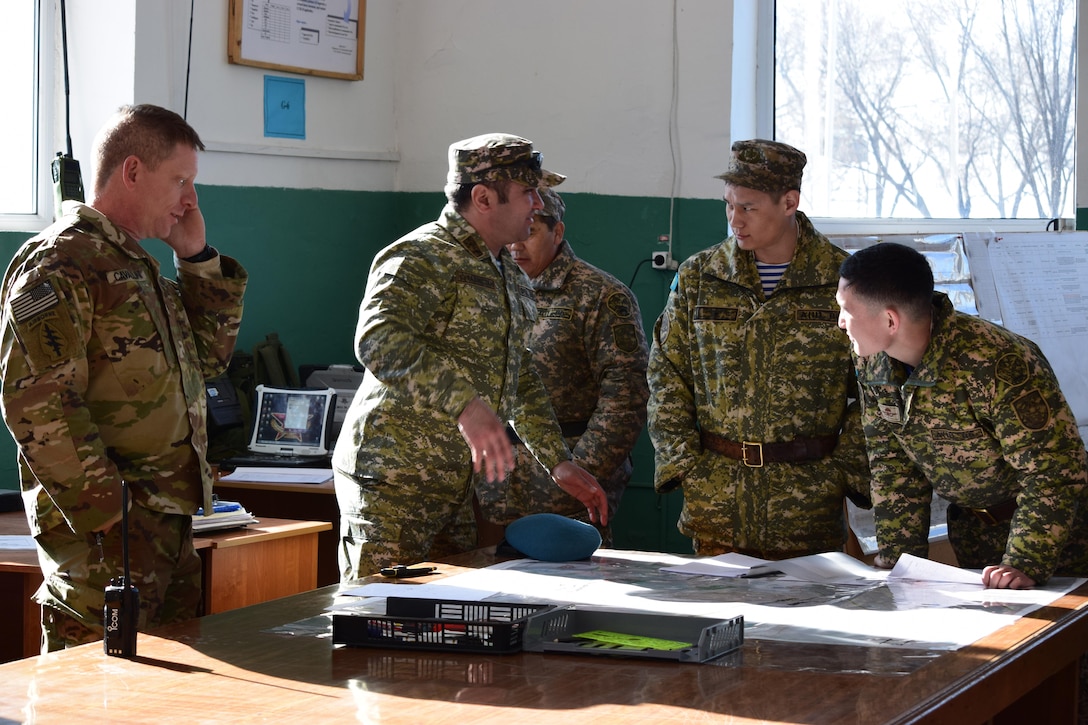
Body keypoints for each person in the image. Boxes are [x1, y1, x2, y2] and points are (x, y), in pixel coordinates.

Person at [0, 104, 248, 651]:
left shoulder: (140, 266)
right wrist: (113, 517)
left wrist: (198, 259)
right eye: (180, 180)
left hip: (167, 531)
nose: (191, 199)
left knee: (165, 703)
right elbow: (39, 404)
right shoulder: (61, 263)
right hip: (107, 545)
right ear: (132, 171)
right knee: (92, 700)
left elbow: (207, 363)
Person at [333, 133, 609, 581]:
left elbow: (518, 375)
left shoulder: (507, 272)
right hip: (394, 481)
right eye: (527, 193)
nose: (538, 204)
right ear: (483, 198)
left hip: (455, 486)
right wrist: (467, 405)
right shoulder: (421, 256)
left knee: (451, 618)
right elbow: (378, 339)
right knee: (378, 618)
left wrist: (557, 459)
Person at [646, 138, 871, 559]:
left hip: (808, 505)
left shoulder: (841, 280)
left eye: (748, 207)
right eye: (728, 205)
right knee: (721, 621)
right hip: (717, 500)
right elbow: (666, 375)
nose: (735, 219)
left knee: (806, 623)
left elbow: (873, 387)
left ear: (790, 202)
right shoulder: (700, 277)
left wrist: (842, 472)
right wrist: (687, 467)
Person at [836, 242, 1088, 588]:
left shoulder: (997, 361)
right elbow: (892, 465)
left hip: (1057, 539)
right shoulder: (872, 361)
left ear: (890, 319)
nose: (840, 323)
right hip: (973, 534)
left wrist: (1025, 561)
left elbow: (1055, 471)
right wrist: (900, 562)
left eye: (846, 311)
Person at [475, 187, 650, 545]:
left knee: (567, 589)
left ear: (557, 232)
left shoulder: (599, 295)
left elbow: (626, 395)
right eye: (513, 234)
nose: (516, 245)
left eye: (531, 232)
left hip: (566, 481)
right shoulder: (491, 288)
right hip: (491, 479)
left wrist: (580, 471)